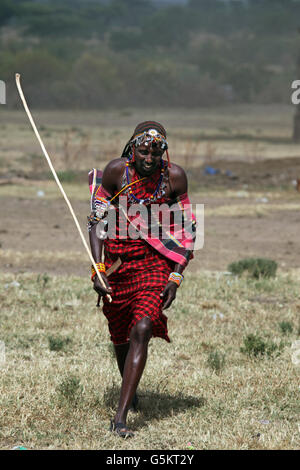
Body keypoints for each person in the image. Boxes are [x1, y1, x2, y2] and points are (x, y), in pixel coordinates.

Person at [87, 121, 195, 438]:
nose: (149, 157)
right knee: (121, 331)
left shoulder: (174, 178)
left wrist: (175, 276)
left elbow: (188, 231)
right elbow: (96, 221)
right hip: (119, 261)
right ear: (132, 148)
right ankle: (129, 392)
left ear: (164, 151)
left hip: (155, 260)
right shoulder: (115, 173)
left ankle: (120, 419)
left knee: (143, 327)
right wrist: (98, 267)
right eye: (144, 150)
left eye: (156, 151)